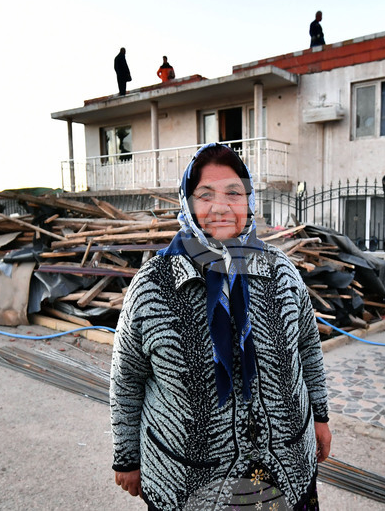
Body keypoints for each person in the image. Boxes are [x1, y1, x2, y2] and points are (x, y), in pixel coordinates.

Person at [110, 143, 332, 510]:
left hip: (287, 467)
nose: (220, 206)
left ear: (249, 201)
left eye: (234, 193)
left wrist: (320, 417)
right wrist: (126, 456)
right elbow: (127, 377)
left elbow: (308, 349)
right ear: (188, 202)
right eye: (205, 194)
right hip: (188, 482)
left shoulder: (280, 271)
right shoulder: (154, 284)